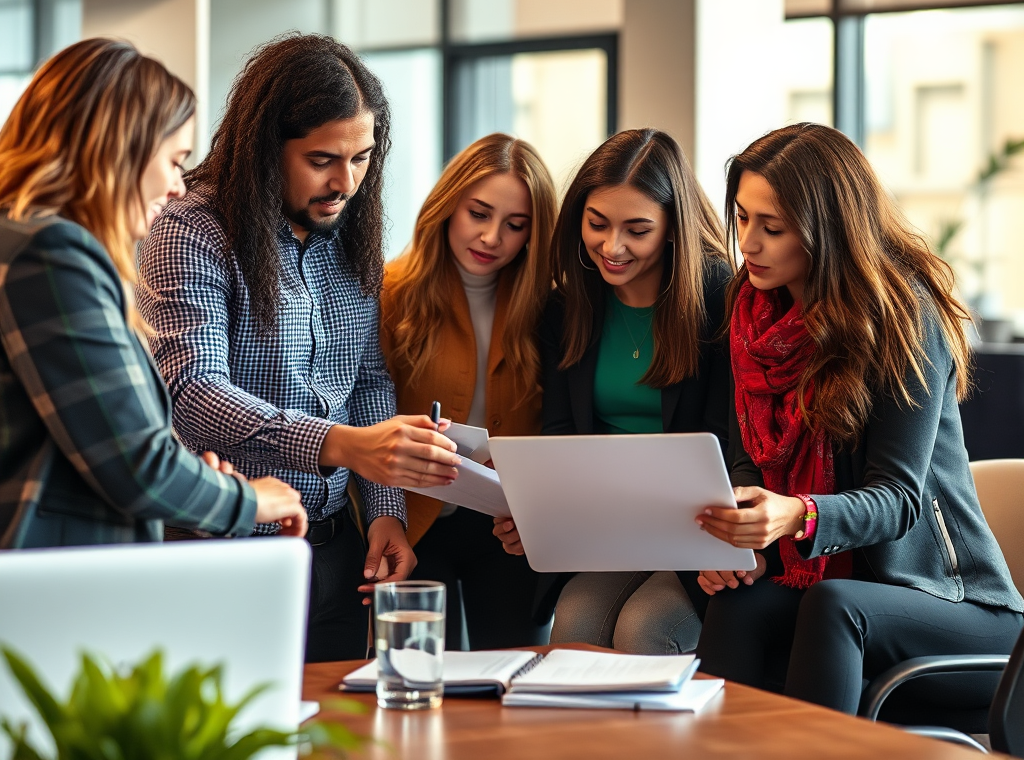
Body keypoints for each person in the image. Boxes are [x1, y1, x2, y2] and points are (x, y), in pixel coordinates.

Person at [137, 34, 459, 662]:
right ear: (264, 147)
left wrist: (387, 511)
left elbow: (367, 382)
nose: (346, 182)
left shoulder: (346, 233)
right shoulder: (191, 229)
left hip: (336, 552)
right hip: (224, 547)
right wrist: (340, 445)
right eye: (321, 160)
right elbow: (193, 394)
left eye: (362, 158)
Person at [694, 123, 1024, 714]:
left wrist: (796, 514)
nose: (749, 243)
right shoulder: (751, 316)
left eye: (773, 228)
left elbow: (900, 499)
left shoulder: (903, 318)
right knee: (739, 602)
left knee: (834, 605)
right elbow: (752, 451)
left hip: (958, 605)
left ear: (829, 230)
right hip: (834, 583)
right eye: (742, 218)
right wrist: (737, 534)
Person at [0, 38, 307, 549]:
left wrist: (197, 481)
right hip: (51, 576)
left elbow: (89, 440)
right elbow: (134, 464)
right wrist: (252, 499)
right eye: (173, 160)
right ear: (120, 149)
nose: (179, 186)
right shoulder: (51, 251)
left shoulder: (21, 239)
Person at [494, 128, 733, 654]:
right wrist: (541, 513)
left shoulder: (719, 297)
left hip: (699, 530)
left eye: (637, 229)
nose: (612, 246)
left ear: (673, 229)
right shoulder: (570, 306)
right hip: (609, 529)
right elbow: (560, 431)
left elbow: (730, 435)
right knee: (576, 620)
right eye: (597, 224)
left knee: (646, 626)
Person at [379, 133, 557, 649]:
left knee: (514, 680)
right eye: (478, 213)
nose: (491, 237)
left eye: (515, 225)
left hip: (509, 527)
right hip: (412, 520)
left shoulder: (549, 308)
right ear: (448, 206)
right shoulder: (388, 293)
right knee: (416, 678)